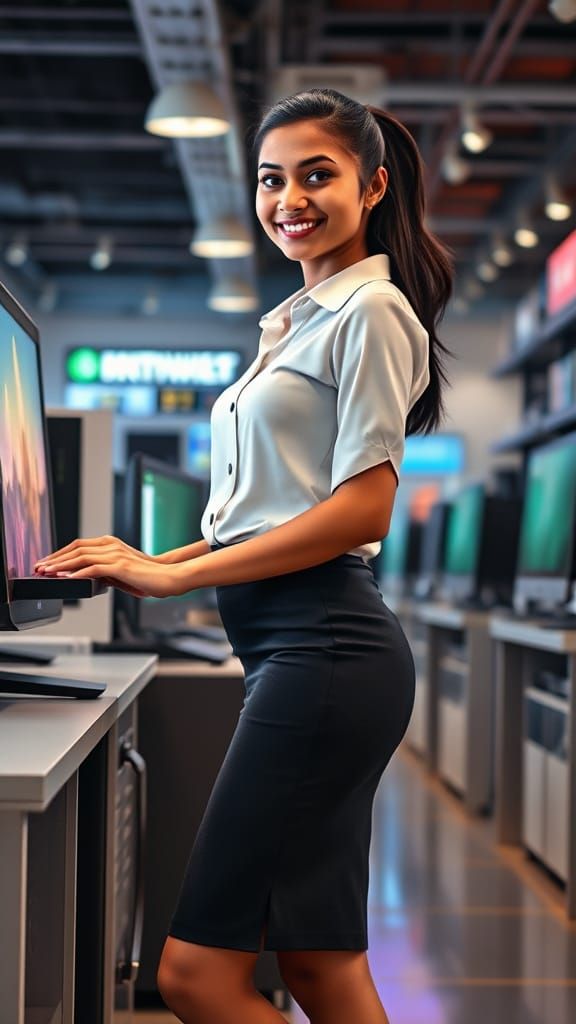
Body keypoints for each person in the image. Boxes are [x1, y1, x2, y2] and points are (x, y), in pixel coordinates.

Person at [36, 89, 453, 1024]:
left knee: (196, 977)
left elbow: (359, 509)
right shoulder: (298, 319)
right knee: (319, 966)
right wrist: (151, 556)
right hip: (302, 655)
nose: (289, 199)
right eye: (272, 179)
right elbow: (261, 517)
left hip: (325, 652)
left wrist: (174, 574)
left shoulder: (372, 311)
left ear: (374, 186)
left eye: (318, 174)